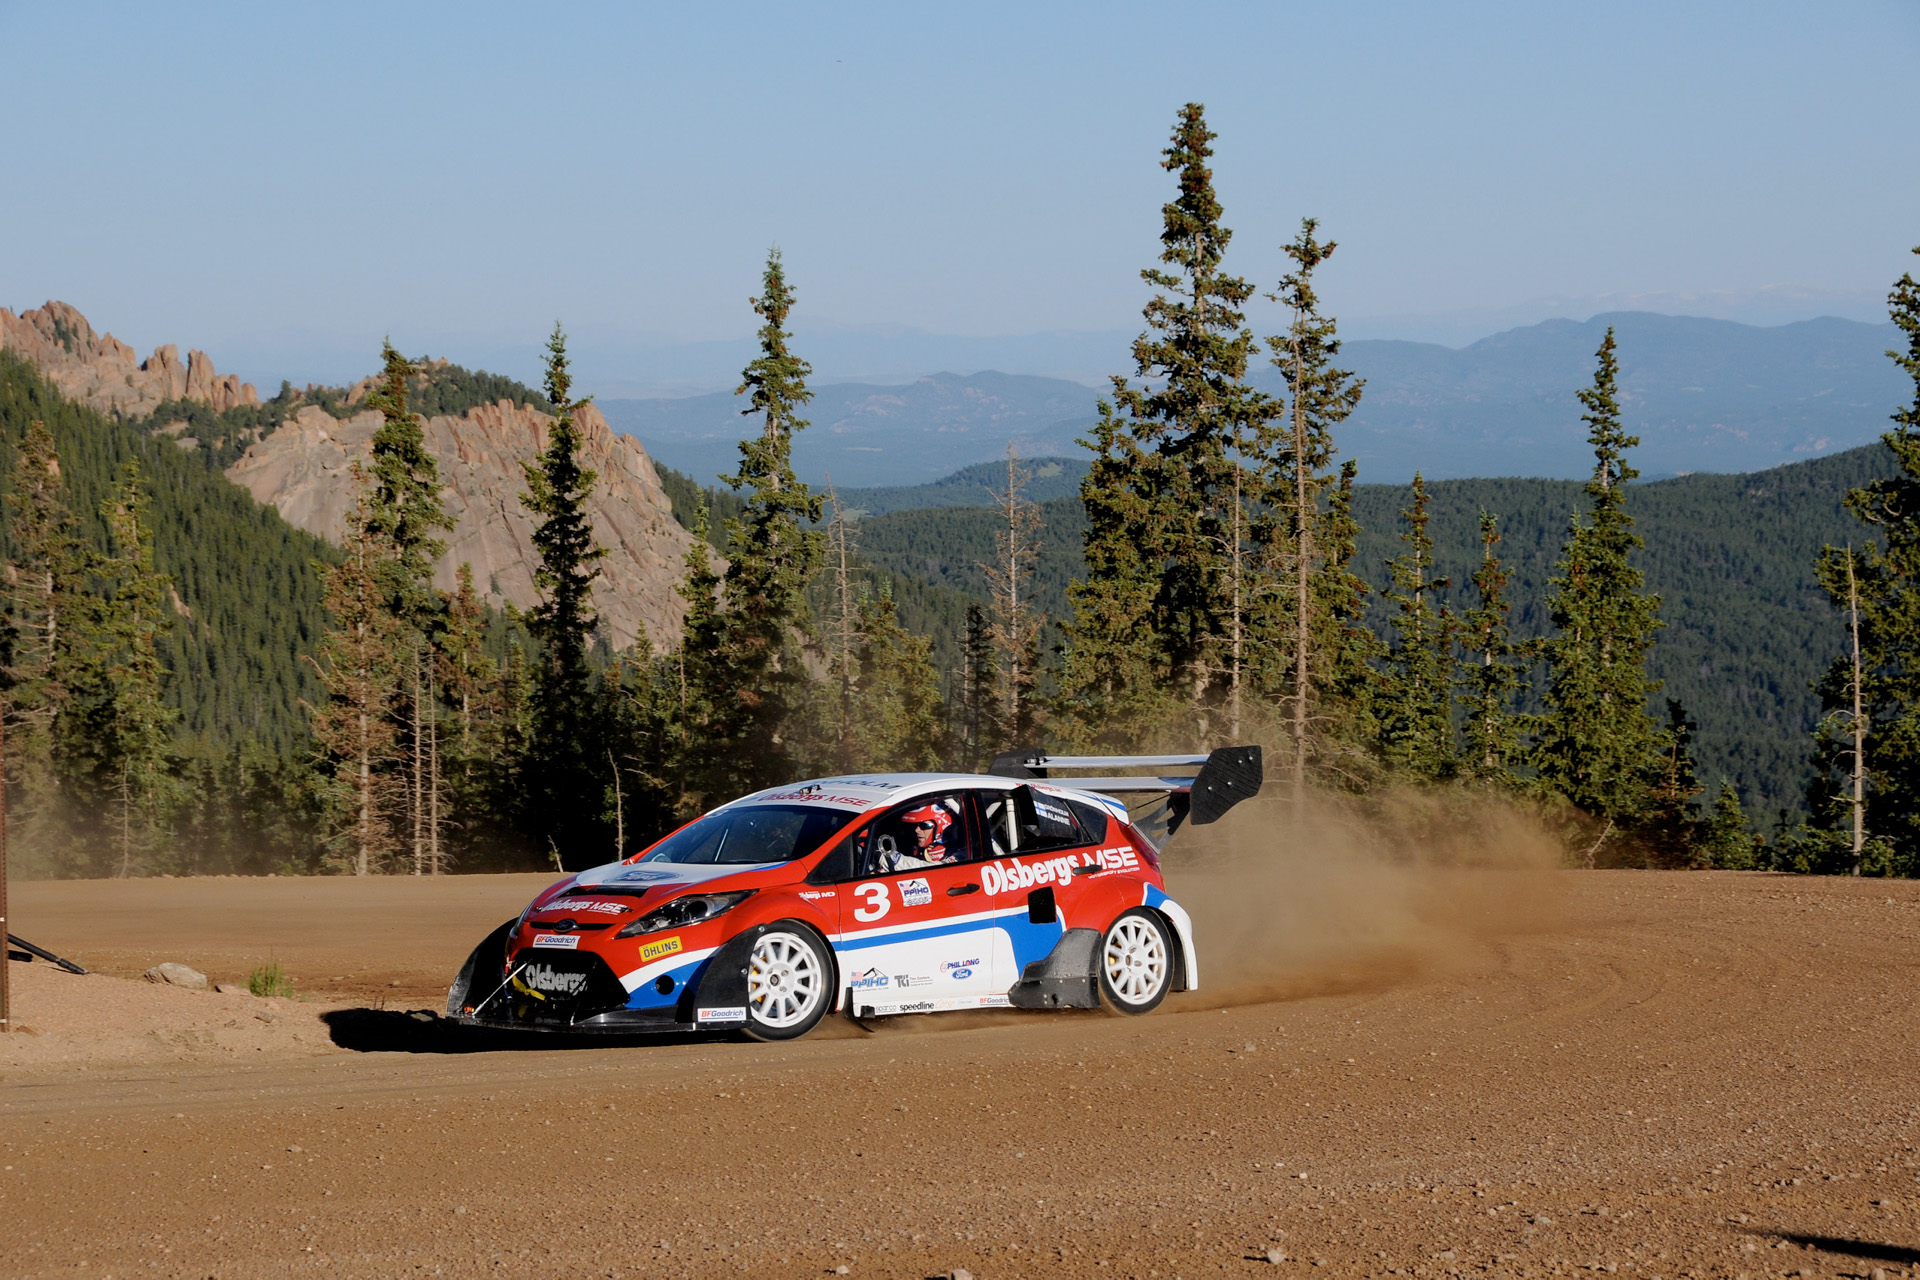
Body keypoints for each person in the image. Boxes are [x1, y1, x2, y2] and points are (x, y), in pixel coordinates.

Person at [875, 800, 962, 872]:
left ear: (943, 827)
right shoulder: (918, 849)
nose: (917, 830)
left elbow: (928, 870)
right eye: (916, 825)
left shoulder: (960, 855)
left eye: (924, 826)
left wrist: (887, 857)